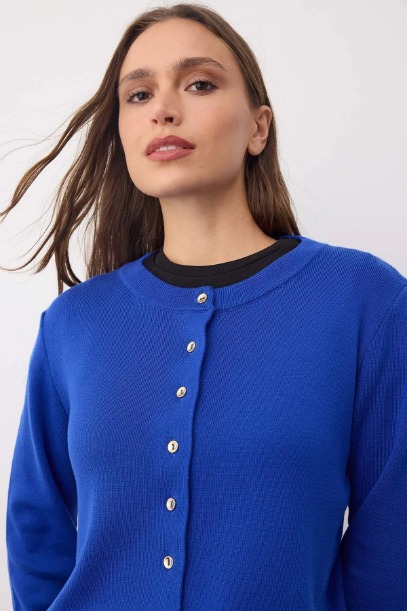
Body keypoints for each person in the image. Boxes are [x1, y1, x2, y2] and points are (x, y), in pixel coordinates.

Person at [3, 3, 407, 610]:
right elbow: (37, 532)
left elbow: (393, 541)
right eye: (139, 95)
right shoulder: (74, 325)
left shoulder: (364, 301)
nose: (164, 109)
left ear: (258, 128)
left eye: (199, 84)